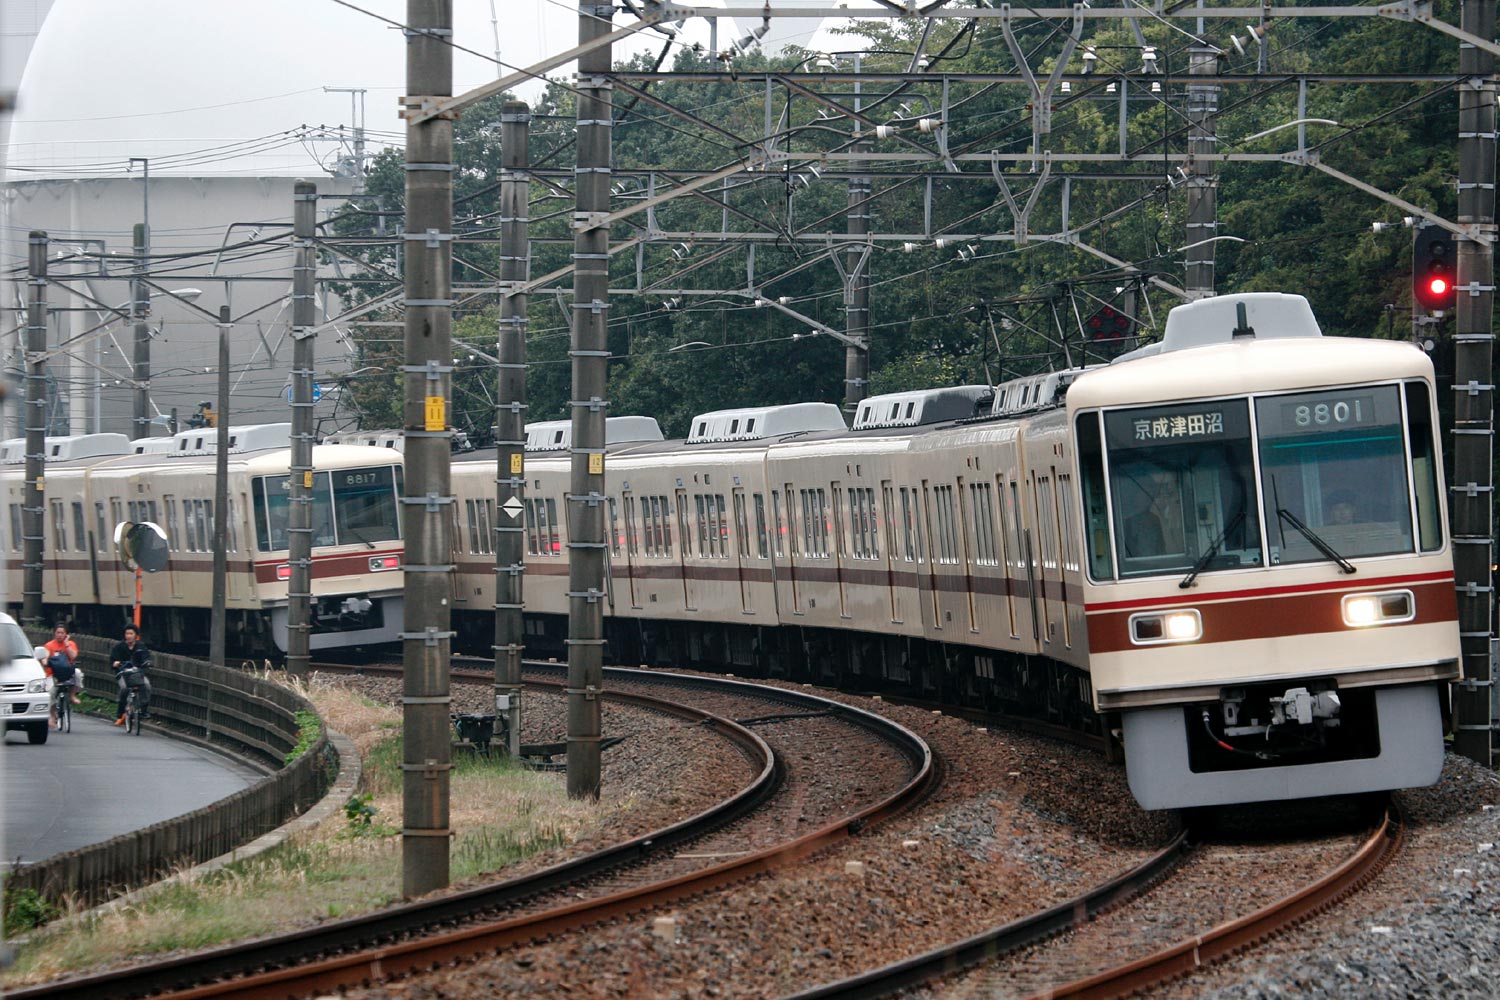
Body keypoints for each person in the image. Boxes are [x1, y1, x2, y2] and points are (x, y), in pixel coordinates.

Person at [110, 624, 152, 726]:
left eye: (131, 634)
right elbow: (112, 660)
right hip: (123, 673)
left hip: (137, 673)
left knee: (147, 686)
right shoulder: (119, 647)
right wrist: (115, 663)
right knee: (124, 689)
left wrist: (147, 662)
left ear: (136, 635)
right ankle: (120, 711)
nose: (128, 636)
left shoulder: (141, 646)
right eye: (127, 634)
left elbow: (146, 657)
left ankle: (144, 709)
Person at [43, 623, 81, 705]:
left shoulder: (71, 644)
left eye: (62, 633)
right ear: (54, 633)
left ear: (66, 634)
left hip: (67, 671)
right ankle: (53, 711)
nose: (60, 635)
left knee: (78, 673)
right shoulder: (49, 645)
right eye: (58, 632)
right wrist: (45, 662)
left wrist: (67, 645)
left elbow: (73, 656)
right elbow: (45, 658)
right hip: (53, 673)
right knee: (50, 693)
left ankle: (72, 695)